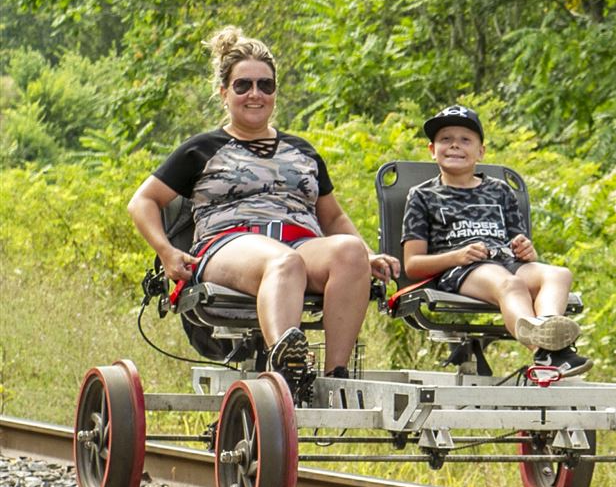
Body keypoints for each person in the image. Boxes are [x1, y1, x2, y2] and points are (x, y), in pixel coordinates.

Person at [127, 26, 400, 393]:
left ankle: (335, 380)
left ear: (274, 93)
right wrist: (167, 251)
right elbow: (143, 201)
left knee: (349, 253)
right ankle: (285, 371)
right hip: (229, 244)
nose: (255, 94)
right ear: (225, 93)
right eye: (243, 85)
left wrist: (368, 253)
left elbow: (332, 217)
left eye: (265, 85)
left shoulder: (302, 151)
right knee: (283, 262)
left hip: (300, 241)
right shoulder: (203, 148)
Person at [401, 105, 591, 376]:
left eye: (465, 140)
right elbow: (413, 264)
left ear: (481, 152)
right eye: (446, 139)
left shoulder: (499, 191)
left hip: (506, 261)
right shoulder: (423, 195)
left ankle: (549, 332)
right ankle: (545, 349)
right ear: (432, 149)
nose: (455, 145)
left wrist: (526, 249)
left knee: (559, 274)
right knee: (510, 284)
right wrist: (457, 256)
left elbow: (519, 243)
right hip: (462, 269)